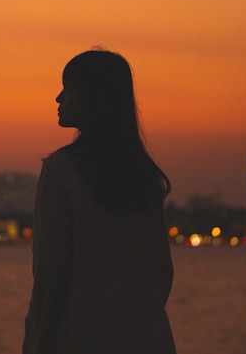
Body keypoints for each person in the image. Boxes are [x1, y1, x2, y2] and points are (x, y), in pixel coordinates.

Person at [22, 49, 177, 354]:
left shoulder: (62, 170)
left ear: (94, 97)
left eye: (68, 88)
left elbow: (50, 273)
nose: (58, 98)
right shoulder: (144, 175)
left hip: (79, 340)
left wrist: (37, 343)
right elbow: (163, 272)